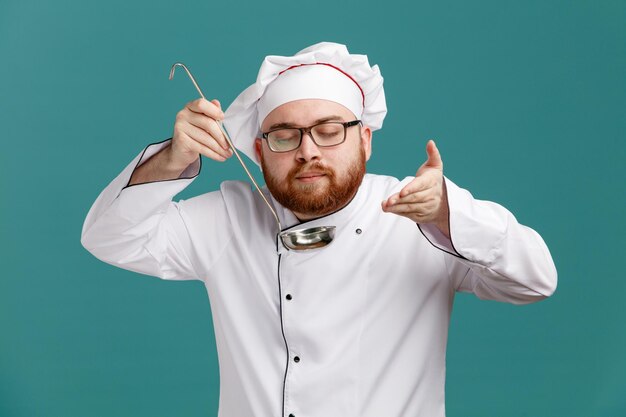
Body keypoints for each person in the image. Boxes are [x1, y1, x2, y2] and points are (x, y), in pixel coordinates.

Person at [81, 42, 557, 417]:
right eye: (285, 135)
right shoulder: (229, 218)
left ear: (365, 139)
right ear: (261, 149)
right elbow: (108, 237)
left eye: (329, 130)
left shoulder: (417, 214)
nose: (308, 150)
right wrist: (173, 158)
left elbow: (536, 280)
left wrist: (451, 211)